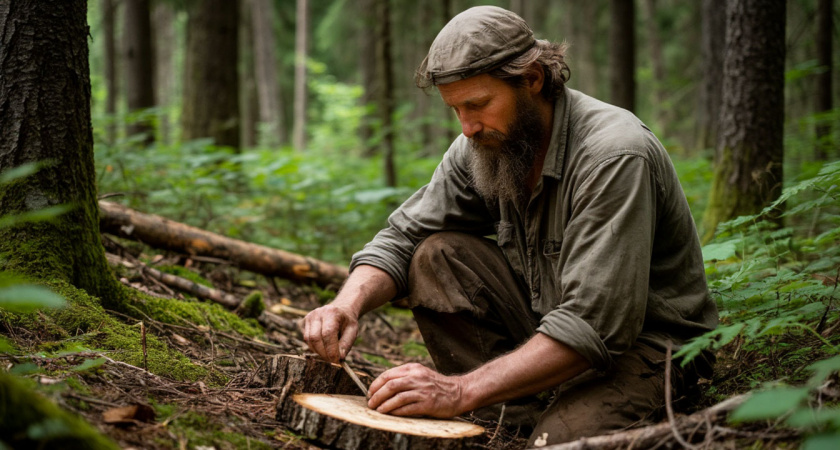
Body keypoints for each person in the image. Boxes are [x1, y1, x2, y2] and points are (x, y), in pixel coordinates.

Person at [303, 5, 718, 446]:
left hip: (646, 349)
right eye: (455, 109)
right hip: (549, 325)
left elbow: (594, 324)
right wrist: (347, 305)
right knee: (437, 254)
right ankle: (513, 416)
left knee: (555, 442)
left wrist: (457, 391)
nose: (467, 127)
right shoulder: (486, 143)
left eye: (478, 104)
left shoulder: (614, 155)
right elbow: (405, 236)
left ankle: (527, 412)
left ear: (532, 79)